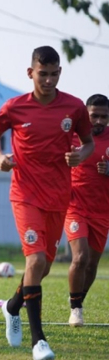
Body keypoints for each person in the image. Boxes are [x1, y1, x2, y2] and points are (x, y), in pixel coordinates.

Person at [0, 46, 93, 360]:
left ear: (59, 73)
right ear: (30, 73)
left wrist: (80, 156)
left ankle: (12, 306)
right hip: (25, 194)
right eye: (41, 73)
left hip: (59, 197)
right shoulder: (15, 107)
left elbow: (88, 143)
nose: (47, 79)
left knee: (43, 267)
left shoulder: (73, 107)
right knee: (34, 262)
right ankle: (39, 341)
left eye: (53, 73)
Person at [65, 94, 109, 327]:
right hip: (74, 207)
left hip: (102, 212)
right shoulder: (72, 137)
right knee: (80, 257)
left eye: (104, 117)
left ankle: (78, 300)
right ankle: (76, 309)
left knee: (92, 264)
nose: (99, 121)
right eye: (94, 116)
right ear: (86, 114)